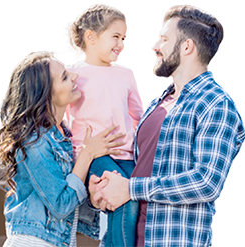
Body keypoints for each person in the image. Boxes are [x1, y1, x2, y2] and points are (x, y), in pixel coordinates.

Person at [88, 5, 245, 247]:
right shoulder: (155, 105)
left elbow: (206, 182)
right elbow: (137, 169)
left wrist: (131, 188)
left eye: (163, 39)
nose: (155, 47)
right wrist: (104, 188)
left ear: (186, 46)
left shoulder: (216, 104)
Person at [0, 51, 126, 247]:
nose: (75, 77)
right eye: (65, 77)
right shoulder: (35, 142)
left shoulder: (63, 137)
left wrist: (93, 197)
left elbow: (67, 198)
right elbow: (60, 205)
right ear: (46, 94)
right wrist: (87, 154)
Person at [65, 3, 145, 247]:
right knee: (124, 201)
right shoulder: (72, 75)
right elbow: (60, 116)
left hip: (127, 156)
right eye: (115, 37)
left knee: (135, 205)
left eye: (123, 38)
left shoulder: (125, 76)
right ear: (91, 37)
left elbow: (139, 117)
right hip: (93, 157)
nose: (121, 44)